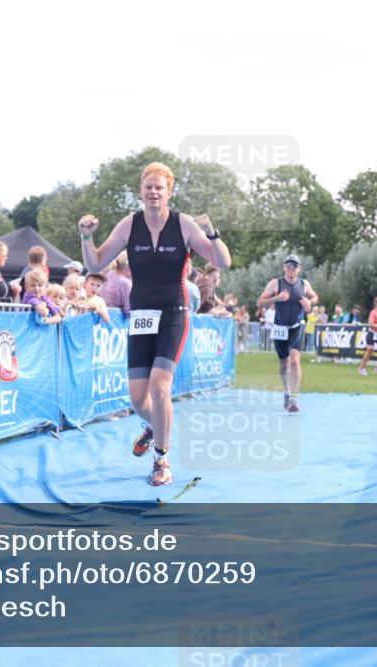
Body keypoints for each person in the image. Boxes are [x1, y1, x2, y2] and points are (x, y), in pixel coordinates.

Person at [78, 162, 231, 486]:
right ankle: (155, 427)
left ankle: (161, 459)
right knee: (137, 398)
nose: (153, 192)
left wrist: (213, 233)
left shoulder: (184, 224)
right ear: (141, 191)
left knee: (161, 387)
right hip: (142, 315)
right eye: (148, 186)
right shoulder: (129, 225)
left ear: (169, 192)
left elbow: (222, 262)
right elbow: (95, 262)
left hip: (174, 313)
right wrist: (86, 236)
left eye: (159, 187)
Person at [257, 254, 319, 413]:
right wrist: (277, 298)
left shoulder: (304, 284)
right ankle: (286, 391)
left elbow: (314, 296)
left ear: (300, 268)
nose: (291, 269)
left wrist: (310, 303)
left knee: (295, 359)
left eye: (295, 266)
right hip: (279, 328)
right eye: (288, 266)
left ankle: (294, 397)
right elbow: (260, 302)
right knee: (284, 363)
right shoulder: (275, 283)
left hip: (297, 327)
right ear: (284, 267)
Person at [358, 296, 377, 376]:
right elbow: (371, 324)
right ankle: (362, 368)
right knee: (370, 350)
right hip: (371, 333)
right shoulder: (373, 312)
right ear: (376, 304)